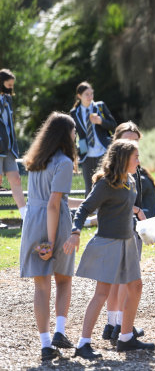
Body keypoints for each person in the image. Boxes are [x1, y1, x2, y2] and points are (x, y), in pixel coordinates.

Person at [64, 140, 155, 359]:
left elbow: (123, 206)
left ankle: (125, 338)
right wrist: (75, 233)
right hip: (108, 244)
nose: (139, 161)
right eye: (136, 157)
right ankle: (83, 343)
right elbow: (85, 208)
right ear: (123, 159)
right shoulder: (105, 184)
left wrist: (144, 225)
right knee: (102, 293)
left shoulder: (130, 180)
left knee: (136, 287)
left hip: (127, 243)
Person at [19, 112, 81, 361]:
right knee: (64, 280)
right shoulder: (64, 161)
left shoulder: (36, 160)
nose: (76, 135)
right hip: (56, 223)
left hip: (33, 222)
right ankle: (59, 332)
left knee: (41, 284)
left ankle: (46, 345)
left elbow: (49, 200)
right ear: (66, 134)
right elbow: (55, 205)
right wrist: (53, 241)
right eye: (74, 131)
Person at [102, 122, 155, 345]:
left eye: (135, 140)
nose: (132, 144)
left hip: (133, 227)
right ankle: (117, 325)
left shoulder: (134, 166)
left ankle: (115, 324)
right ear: (117, 141)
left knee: (122, 279)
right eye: (127, 139)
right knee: (122, 279)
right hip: (120, 229)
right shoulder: (114, 170)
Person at [69, 81, 117, 197]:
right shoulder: (74, 113)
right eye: (87, 94)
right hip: (86, 153)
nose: (90, 97)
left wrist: (101, 121)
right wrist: (74, 152)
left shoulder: (100, 106)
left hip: (103, 151)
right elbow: (72, 134)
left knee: (106, 182)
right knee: (89, 187)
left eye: (92, 94)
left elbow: (113, 125)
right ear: (79, 96)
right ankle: (89, 214)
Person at [0, 69, 26, 221]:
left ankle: (25, 216)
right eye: (8, 84)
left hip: (9, 148)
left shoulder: (8, 99)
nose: (10, 88)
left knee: (16, 179)